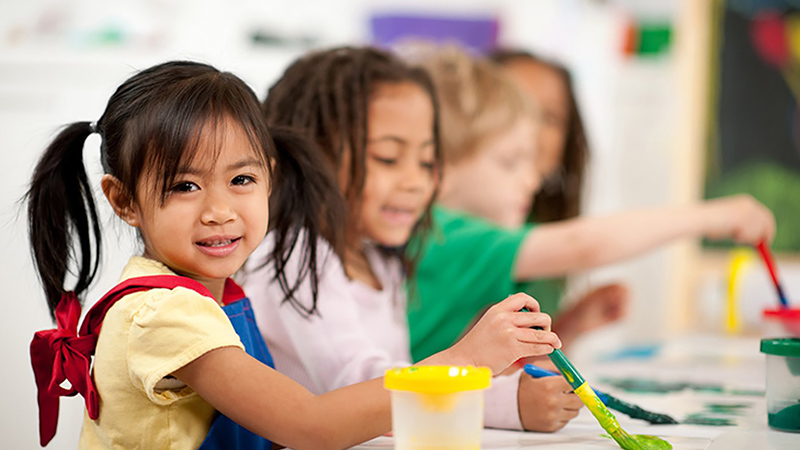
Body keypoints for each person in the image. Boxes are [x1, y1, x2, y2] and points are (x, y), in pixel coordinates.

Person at [26, 60, 560, 450]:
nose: (219, 210)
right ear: (124, 201)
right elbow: (311, 424)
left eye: (240, 179)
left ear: (268, 181)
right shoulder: (163, 313)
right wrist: (464, 361)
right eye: (185, 186)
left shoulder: (219, 292)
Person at [242, 46, 582, 433]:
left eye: (425, 162)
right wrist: (497, 395)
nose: (415, 182)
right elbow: (359, 388)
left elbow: (396, 381)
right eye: (388, 158)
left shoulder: (381, 261)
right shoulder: (296, 256)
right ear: (310, 155)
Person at [406, 44, 776, 364]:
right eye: (509, 161)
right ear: (439, 168)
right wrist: (714, 215)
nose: (532, 179)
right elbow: (581, 244)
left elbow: (488, 367)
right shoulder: (444, 233)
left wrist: (572, 325)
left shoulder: (461, 237)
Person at [489, 48, 629, 346]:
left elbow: (511, 367)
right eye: (516, 107)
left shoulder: (538, 219)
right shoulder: (452, 229)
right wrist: (716, 216)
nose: (532, 130)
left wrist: (570, 325)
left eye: (550, 117)